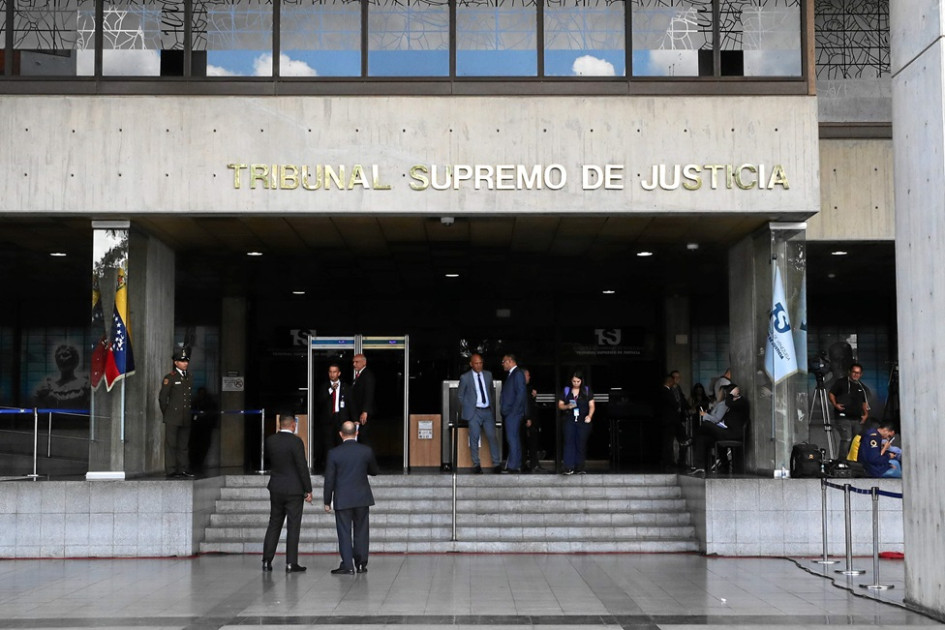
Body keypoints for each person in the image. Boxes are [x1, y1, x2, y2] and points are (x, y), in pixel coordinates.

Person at [323, 421, 380, 575]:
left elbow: (329, 479)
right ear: (357, 433)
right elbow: (374, 471)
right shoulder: (366, 451)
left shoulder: (333, 453)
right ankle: (361, 564)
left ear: (341, 434)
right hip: (362, 497)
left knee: (344, 532)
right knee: (361, 531)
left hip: (343, 498)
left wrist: (327, 501)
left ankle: (348, 565)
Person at [262, 414, 313, 573]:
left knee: (274, 524)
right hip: (294, 489)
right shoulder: (296, 442)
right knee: (293, 526)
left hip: (276, 487)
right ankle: (291, 563)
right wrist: (308, 489)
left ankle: (266, 561)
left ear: (279, 424)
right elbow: (301, 467)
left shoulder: (271, 440)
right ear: (293, 425)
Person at [457, 354, 502, 473]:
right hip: (474, 412)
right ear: (471, 364)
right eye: (476, 363)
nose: (479, 365)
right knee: (474, 438)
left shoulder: (488, 375)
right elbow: (460, 395)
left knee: (492, 437)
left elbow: (491, 392)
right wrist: (469, 408)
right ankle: (476, 464)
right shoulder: (465, 377)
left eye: (481, 363)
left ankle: (496, 464)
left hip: (487, 410)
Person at [158, 346, 195, 478]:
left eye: (186, 361)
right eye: (182, 361)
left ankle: (183, 468)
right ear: (176, 362)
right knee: (171, 444)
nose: (185, 363)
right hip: (172, 416)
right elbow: (163, 398)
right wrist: (167, 413)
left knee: (183, 445)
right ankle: (171, 470)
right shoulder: (171, 377)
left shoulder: (189, 377)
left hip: (185, 416)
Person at [698, 383, 749, 472]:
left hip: (733, 433)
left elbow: (728, 402)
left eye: (728, 393)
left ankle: (723, 465)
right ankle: (701, 466)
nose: (726, 395)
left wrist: (731, 394)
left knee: (705, 425)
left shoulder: (741, 401)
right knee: (703, 438)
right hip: (728, 431)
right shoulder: (734, 402)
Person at [829, 363, 870, 459]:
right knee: (847, 438)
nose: (856, 375)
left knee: (856, 440)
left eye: (858, 373)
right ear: (849, 372)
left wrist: (866, 414)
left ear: (861, 374)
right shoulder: (841, 382)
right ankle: (842, 462)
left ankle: (854, 461)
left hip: (857, 418)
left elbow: (864, 402)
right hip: (843, 417)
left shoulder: (861, 386)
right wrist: (835, 404)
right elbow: (831, 393)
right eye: (854, 372)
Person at [558, 370, 595, 475]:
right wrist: (567, 406)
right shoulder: (566, 390)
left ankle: (579, 467)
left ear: (581, 381)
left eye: (578, 381)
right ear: (571, 380)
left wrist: (590, 416)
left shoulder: (587, 391)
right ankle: (568, 467)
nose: (576, 383)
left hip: (583, 420)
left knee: (580, 443)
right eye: (574, 381)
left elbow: (592, 405)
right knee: (569, 442)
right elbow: (560, 405)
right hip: (569, 419)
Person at [316, 362, 351, 471]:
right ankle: (329, 468)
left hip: (341, 419)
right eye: (330, 372)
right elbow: (320, 401)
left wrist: (354, 419)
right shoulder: (324, 387)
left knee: (341, 443)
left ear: (339, 373)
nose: (332, 374)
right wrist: (330, 390)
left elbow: (351, 403)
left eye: (334, 372)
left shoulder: (346, 387)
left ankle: (342, 467)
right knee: (328, 445)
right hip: (328, 420)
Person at [33, 344, 90, 410]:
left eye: (65, 355)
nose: (61, 358)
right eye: (58, 356)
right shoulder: (48, 385)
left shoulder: (85, 384)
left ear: (74, 359)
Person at [500, 354, 527, 473]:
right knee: (514, 438)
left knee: (512, 439)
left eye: (504, 361)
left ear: (510, 361)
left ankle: (513, 466)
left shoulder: (517, 374)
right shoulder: (513, 374)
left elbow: (521, 393)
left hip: (513, 413)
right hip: (511, 413)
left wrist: (514, 411)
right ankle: (515, 464)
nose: (502, 364)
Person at [658, 374, 689, 471]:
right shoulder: (665, 391)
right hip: (670, 421)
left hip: (674, 421)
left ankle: (678, 461)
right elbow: (674, 404)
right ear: (669, 381)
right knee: (668, 442)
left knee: (679, 440)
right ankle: (669, 462)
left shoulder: (672, 390)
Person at [349, 353, 376, 445]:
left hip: (363, 413)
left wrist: (365, 411)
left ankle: (367, 458)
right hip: (359, 412)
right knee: (360, 436)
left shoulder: (367, 375)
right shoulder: (359, 375)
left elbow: (369, 394)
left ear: (364, 362)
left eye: (357, 362)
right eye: (353, 362)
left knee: (364, 436)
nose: (354, 364)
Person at [190, 386, 218, 473]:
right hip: (196, 428)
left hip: (206, 428)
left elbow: (214, 415)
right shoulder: (195, 403)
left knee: (204, 446)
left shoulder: (210, 403)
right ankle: (194, 464)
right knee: (194, 446)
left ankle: (199, 464)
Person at [522, 368, 544, 473]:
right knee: (530, 444)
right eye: (528, 375)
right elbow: (526, 405)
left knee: (532, 443)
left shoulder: (528, 389)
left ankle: (533, 464)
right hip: (527, 420)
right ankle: (532, 465)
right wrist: (527, 418)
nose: (529, 377)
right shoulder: (522, 389)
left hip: (532, 420)